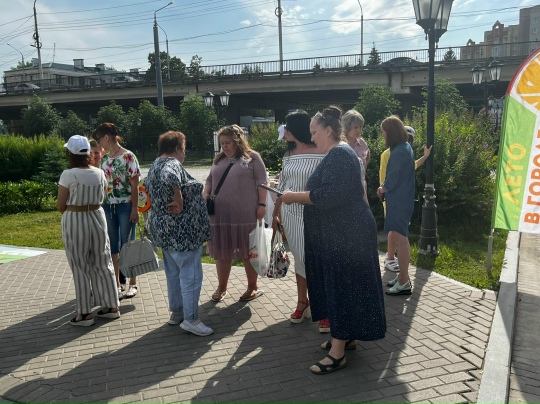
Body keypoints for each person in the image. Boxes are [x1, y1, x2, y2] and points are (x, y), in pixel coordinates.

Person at [282, 106, 386, 375]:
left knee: (342, 286)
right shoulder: (340, 152)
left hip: (347, 233)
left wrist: (294, 197)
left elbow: (327, 196)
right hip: (345, 230)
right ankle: (345, 335)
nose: (311, 137)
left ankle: (337, 354)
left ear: (328, 130)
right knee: (345, 285)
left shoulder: (339, 153)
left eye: (314, 132)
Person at [145, 131, 213, 336]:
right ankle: (191, 319)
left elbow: (145, 188)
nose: (184, 154)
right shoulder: (171, 164)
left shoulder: (154, 165)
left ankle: (177, 312)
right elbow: (170, 177)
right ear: (176, 149)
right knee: (191, 275)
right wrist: (179, 199)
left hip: (163, 229)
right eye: (184, 150)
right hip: (182, 231)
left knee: (173, 273)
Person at [57, 135, 120, 326]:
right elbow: (103, 195)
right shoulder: (99, 173)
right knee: (103, 261)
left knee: (80, 265)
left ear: (70, 153)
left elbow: (61, 204)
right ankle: (111, 306)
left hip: (75, 218)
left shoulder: (68, 174)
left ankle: (84, 314)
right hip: (97, 217)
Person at [271, 111, 326, 330]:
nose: (284, 131)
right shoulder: (288, 153)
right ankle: (302, 301)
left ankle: (324, 307)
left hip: (316, 213)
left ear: (297, 128)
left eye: (288, 127)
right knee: (300, 259)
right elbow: (282, 186)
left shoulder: (322, 151)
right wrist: (275, 214)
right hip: (291, 214)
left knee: (317, 260)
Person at [203, 125, 268, 303]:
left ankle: (252, 287)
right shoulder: (219, 159)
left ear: (237, 141)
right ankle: (221, 287)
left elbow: (262, 182)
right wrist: (206, 193)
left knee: (248, 251)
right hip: (220, 215)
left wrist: (262, 204)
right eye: (222, 143)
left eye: (227, 142)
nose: (224, 146)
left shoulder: (253, 158)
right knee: (222, 251)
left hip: (245, 214)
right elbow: (209, 180)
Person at [92, 123, 140, 300]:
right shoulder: (105, 159)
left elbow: (135, 185)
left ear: (106, 137)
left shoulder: (128, 156)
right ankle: (117, 284)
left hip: (125, 206)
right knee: (113, 245)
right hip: (108, 206)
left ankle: (133, 283)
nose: (99, 143)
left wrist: (134, 209)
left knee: (128, 245)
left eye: (99, 139)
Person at [379, 125, 432, 273]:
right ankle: (391, 258)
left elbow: (412, 166)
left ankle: (392, 259)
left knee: (396, 230)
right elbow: (385, 176)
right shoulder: (389, 153)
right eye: (407, 137)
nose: (408, 141)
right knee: (397, 231)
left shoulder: (405, 150)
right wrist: (383, 192)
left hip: (399, 197)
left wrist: (425, 156)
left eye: (411, 139)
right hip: (392, 197)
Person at [377, 116, 416, 295]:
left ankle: (404, 281)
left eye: (384, 131)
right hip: (403, 199)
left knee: (401, 241)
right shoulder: (405, 147)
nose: (383, 134)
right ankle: (403, 277)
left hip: (398, 201)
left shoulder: (399, 151)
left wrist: (382, 188)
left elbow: (392, 178)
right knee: (403, 240)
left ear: (390, 132)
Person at [341, 109, 369, 202]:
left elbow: (365, 164)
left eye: (361, 127)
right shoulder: (338, 144)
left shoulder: (363, 144)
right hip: (343, 188)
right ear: (346, 127)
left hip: (361, 188)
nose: (359, 130)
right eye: (355, 127)